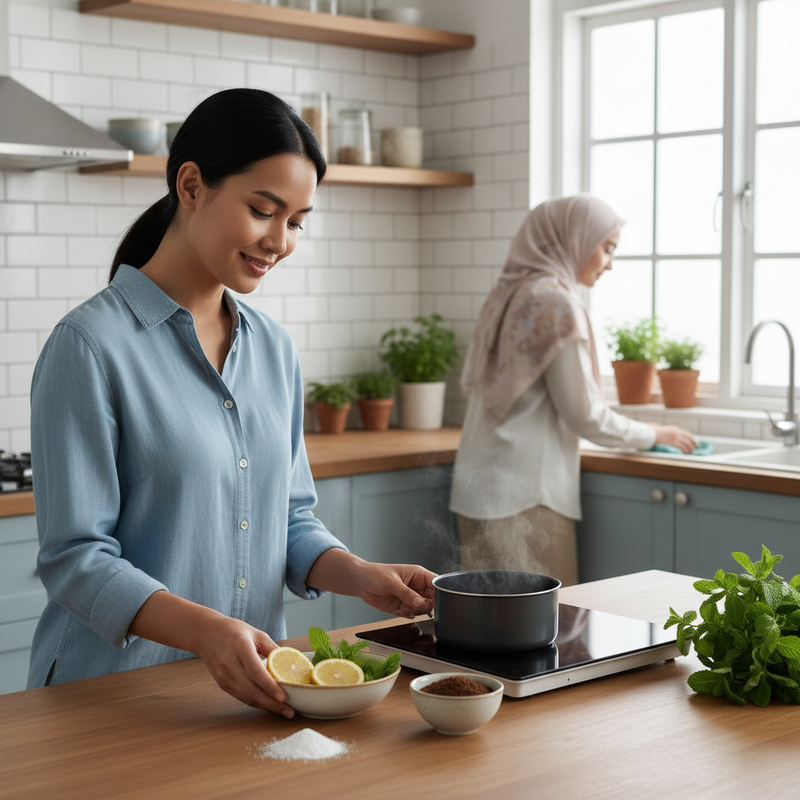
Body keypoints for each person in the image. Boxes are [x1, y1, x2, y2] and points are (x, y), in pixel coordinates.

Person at [27, 88, 434, 718]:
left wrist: (358, 574)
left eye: (296, 221)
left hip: (242, 700)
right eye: (263, 210)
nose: (280, 241)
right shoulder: (88, 347)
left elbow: (289, 518)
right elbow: (76, 560)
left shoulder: (273, 349)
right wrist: (206, 631)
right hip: (109, 699)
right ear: (191, 186)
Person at [449, 195, 696, 586]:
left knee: (483, 629)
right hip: (529, 497)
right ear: (572, 239)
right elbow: (584, 414)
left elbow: (469, 382)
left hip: (475, 489)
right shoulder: (558, 304)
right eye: (606, 248)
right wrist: (653, 434)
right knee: (553, 630)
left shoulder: (506, 294)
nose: (609, 263)